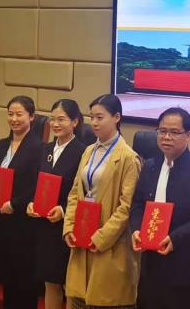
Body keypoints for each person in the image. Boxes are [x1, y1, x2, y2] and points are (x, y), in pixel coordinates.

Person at [129, 107, 190, 309]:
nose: (166, 137)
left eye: (174, 132)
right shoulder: (149, 166)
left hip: (185, 267)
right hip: (151, 265)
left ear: (188, 135)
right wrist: (136, 229)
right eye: (162, 131)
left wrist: (175, 238)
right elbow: (137, 204)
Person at [63, 94, 142, 309]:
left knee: (105, 300)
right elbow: (74, 193)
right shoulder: (89, 151)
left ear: (116, 117)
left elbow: (126, 207)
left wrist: (101, 237)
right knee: (77, 299)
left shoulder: (128, 158)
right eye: (92, 117)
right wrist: (69, 226)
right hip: (81, 237)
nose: (94, 123)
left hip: (109, 244)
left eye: (100, 117)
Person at [0, 96, 44, 309]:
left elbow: (36, 185)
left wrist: (15, 204)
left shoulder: (39, 148)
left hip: (22, 221)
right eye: (10, 114)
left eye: (19, 114)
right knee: (6, 275)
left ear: (32, 117)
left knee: (24, 277)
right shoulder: (1, 145)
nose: (14, 119)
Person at [27, 99, 88, 309]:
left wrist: (63, 209)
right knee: (50, 282)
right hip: (44, 225)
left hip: (67, 226)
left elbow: (83, 192)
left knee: (69, 285)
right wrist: (31, 203)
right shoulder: (45, 149)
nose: (55, 124)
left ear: (75, 122)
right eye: (52, 119)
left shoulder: (83, 152)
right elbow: (36, 184)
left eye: (61, 119)